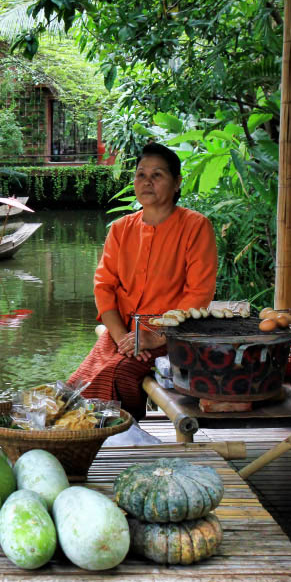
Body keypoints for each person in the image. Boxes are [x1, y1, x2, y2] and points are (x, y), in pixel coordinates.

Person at [66, 143, 217, 421]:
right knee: (77, 385)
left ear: (177, 183)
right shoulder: (121, 230)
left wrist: (154, 337)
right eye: (140, 175)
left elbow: (198, 294)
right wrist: (124, 337)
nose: (147, 182)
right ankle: (87, 436)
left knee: (120, 373)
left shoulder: (196, 227)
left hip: (174, 335)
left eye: (157, 175)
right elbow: (104, 288)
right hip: (121, 332)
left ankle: (122, 439)